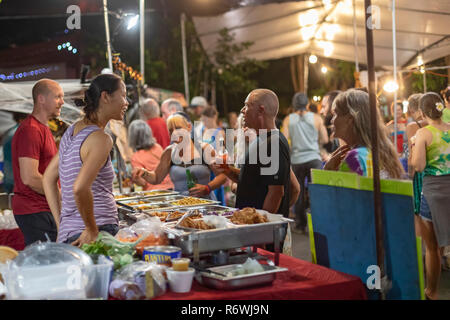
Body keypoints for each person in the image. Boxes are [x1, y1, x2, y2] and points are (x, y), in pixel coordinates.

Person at [43, 73, 129, 246]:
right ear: (105, 97)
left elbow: (47, 179)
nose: (126, 103)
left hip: (70, 234)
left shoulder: (72, 131)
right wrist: (91, 229)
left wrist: (63, 224)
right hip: (98, 231)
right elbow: (80, 187)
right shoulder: (101, 139)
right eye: (123, 95)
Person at [212, 89, 300, 218]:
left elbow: (276, 193)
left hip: (260, 233)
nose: (242, 110)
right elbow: (249, 180)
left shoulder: (273, 142)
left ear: (261, 110)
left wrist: (259, 225)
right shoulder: (261, 139)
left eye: (247, 105)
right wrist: (226, 169)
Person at [11, 79, 63, 246]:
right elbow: (30, 178)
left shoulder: (43, 128)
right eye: (57, 97)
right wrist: (61, 197)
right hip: (34, 210)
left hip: (43, 208)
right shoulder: (31, 130)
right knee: (45, 265)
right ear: (41, 99)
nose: (62, 102)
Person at [410, 92, 450, 300]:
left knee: (433, 249)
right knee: (443, 246)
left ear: (424, 112)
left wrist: (414, 146)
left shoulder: (424, 133)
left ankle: (432, 292)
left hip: (433, 192)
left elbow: (418, 166)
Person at [132, 114, 228, 199]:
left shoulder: (204, 148)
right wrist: (144, 173)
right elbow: (156, 178)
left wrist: (207, 188)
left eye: (178, 128)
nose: (174, 133)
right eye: (170, 130)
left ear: (189, 127)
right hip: (181, 205)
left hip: (205, 204)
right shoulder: (169, 152)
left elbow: (223, 175)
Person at [324, 89, 405, 179]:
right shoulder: (377, 152)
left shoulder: (355, 158)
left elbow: (341, 193)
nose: (332, 120)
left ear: (350, 119)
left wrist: (327, 172)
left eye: (336, 114)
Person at [282, 92, 328, 233]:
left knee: (299, 192)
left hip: (296, 160)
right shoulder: (317, 118)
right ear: (307, 104)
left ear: (294, 105)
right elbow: (325, 139)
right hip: (314, 158)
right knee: (317, 192)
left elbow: (284, 141)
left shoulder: (288, 120)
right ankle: (319, 224)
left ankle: (300, 225)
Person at [128, 120, 174, 191]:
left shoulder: (136, 157)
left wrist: (133, 179)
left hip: (153, 192)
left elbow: (142, 182)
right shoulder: (157, 147)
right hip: (170, 188)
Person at [405, 94, 425, 236]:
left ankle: (422, 252)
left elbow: (411, 155)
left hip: (420, 174)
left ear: (412, 110)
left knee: (418, 213)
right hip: (437, 172)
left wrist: (409, 175)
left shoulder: (413, 126)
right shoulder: (437, 123)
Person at [200, 106, 226, 205]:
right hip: (205, 167)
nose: (204, 122)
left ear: (213, 117)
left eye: (206, 119)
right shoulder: (203, 130)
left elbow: (221, 151)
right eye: (203, 120)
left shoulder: (220, 132)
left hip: (214, 167)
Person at [2, 112, 27, 193]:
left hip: (9, 177)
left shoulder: (11, 132)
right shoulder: (21, 133)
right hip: (17, 178)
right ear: (21, 119)